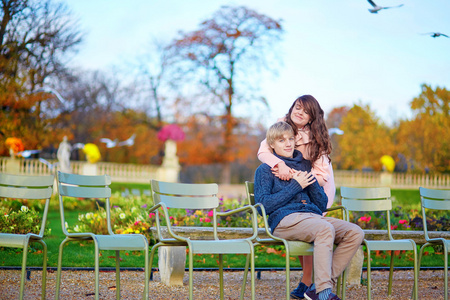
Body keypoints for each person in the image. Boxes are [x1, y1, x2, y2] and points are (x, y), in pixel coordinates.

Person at [254, 121, 364, 300]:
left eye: (291, 139)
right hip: (285, 220)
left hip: (312, 217)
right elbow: (263, 206)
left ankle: (316, 287)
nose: (288, 143)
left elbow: (321, 204)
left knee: (355, 232)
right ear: (271, 145)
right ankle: (323, 293)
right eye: (281, 141)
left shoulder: (305, 166)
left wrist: (310, 180)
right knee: (324, 229)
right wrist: (296, 186)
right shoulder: (265, 170)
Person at [257, 95, 334, 299]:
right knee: (305, 226)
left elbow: (322, 176)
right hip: (291, 190)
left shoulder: (317, 139)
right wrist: (280, 165)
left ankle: (312, 283)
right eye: (297, 107)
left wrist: (297, 177)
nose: (300, 112)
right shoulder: (282, 128)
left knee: (314, 226)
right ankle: (312, 284)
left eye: (306, 111)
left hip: (314, 185)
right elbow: (264, 151)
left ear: (311, 118)